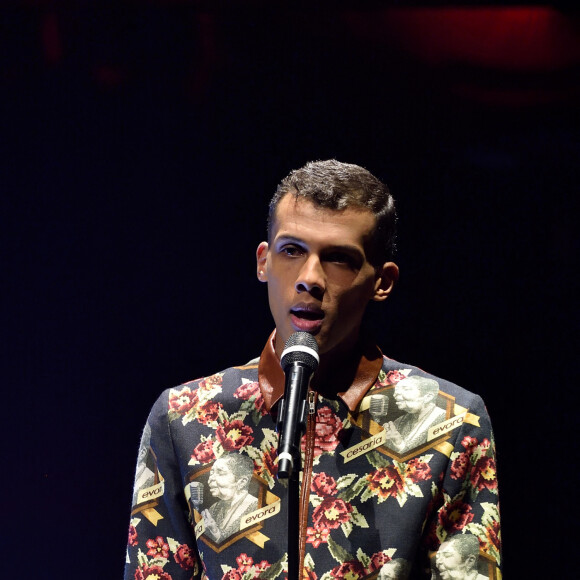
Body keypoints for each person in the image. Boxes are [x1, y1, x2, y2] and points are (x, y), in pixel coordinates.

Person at [124, 160, 501, 580]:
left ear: (383, 282)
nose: (310, 278)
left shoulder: (452, 422)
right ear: (263, 262)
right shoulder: (183, 417)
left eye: (339, 259)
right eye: (292, 250)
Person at [200, 454, 258, 544]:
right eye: (211, 473)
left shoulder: (256, 507)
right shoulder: (213, 508)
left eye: (220, 473)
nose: (210, 479)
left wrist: (215, 533)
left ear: (242, 482)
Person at [383, 376, 447, 454]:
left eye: (406, 389)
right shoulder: (399, 421)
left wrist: (399, 445)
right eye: (396, 390)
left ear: (428, 397)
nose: (395, 394)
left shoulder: (445, 420)